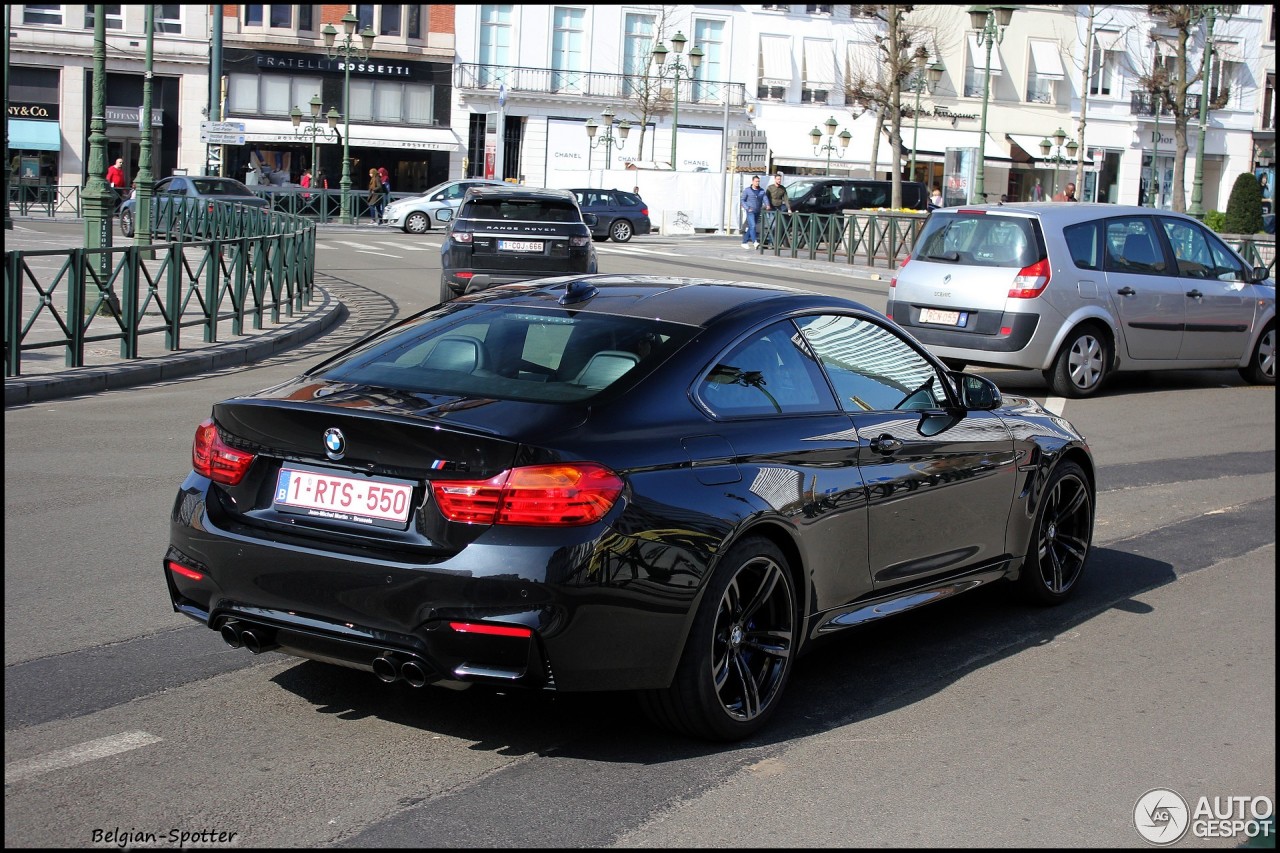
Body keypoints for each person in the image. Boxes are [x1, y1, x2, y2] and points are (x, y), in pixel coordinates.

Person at [762, 172, 790, 247]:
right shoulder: (770, 188)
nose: (779, 181)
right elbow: (766, 198)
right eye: (777, 179)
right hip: (771, 208)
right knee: (773, 225)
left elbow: (786, 199)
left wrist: (789, 209)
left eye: (780, 179)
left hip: (779, 208)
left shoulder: (782, 188)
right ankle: (771, 241)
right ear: (775, 179)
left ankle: (775, 242)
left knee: (778, 226)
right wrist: (767, 206)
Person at [740, 175, 767, 249]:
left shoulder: (761, 191)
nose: (757, 183)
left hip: (757, 210)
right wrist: (747, 208)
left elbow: (765, 198)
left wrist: (767, 205)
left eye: (758, 181)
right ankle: (755, 242)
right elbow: (742, 200)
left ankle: (744, 242)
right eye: (756, 181)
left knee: (751, 227)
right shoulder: (747, 190)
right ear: (752, 182)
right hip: (750, 211)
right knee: (753, 226)